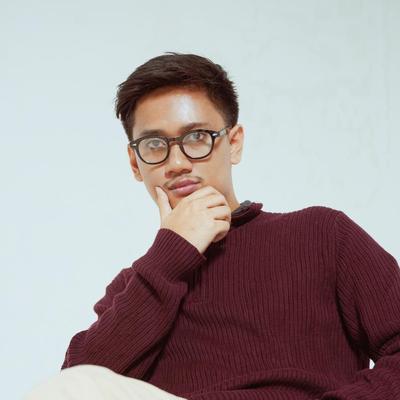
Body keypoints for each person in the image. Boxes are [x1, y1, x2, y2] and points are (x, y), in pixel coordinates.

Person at [24, 52, 400, 400]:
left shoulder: (321, 235)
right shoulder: (137, 285)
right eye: (154, 144)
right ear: (136, 164)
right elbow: (77, 384)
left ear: (234, 143)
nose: (177, 163)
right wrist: (171, 254)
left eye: (196, 138)